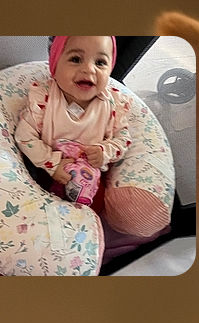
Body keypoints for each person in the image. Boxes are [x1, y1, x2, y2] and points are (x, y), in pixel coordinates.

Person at [15, 35, 132, 205]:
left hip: (89, 181)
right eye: (76, 59)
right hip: (45, 171)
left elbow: (124, 139)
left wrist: (105, 151)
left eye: (100, 63)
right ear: (55, 66)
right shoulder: (44, 99)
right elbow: (24, 137)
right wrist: (53, 164)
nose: (89, 69)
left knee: (97, 205)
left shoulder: (113, 104)